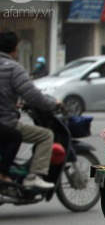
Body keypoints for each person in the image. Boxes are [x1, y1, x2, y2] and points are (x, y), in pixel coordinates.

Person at [0, 30, 63, 191]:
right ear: (14, 49)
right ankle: (34, 176)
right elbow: (33, 96)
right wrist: (53, 103)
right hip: (5, 122)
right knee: (46, 135)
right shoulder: (13, 68)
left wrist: (13, 104)